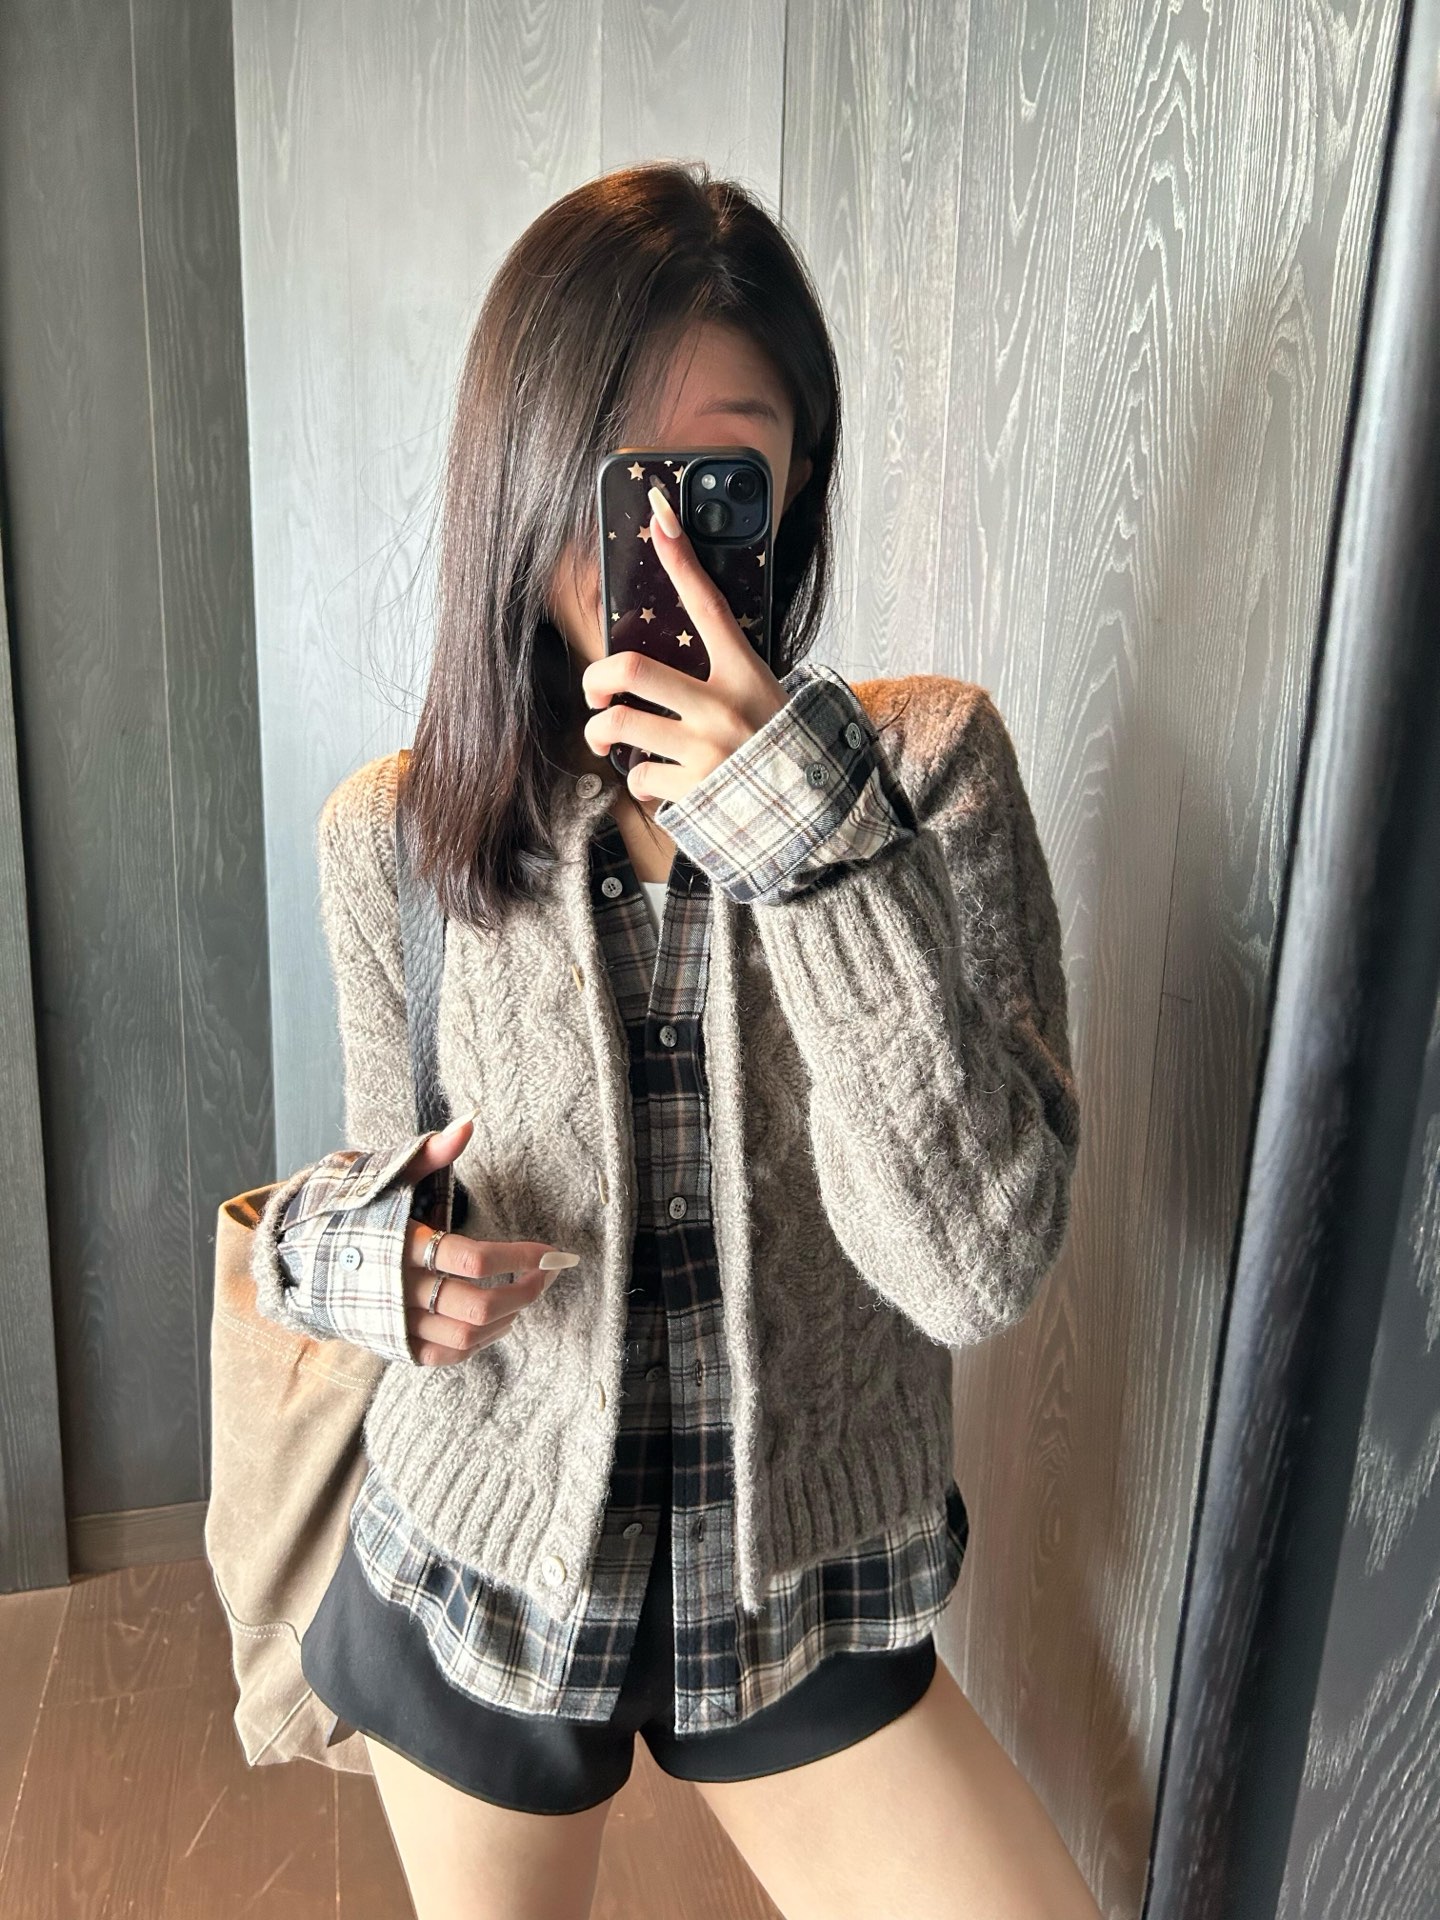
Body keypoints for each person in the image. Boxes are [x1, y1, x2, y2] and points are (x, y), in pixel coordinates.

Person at [249, 160, 1100, 1920]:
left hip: (803, 1596)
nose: (664, 545)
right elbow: (363, 1182)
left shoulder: (926, 774)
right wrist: (371, 1265)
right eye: (616, 477)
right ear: (521, 479)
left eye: (718, 478)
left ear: (795, 483)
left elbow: (975, 1267)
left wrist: (802, 833)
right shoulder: (396, 836)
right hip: (480, 1571)